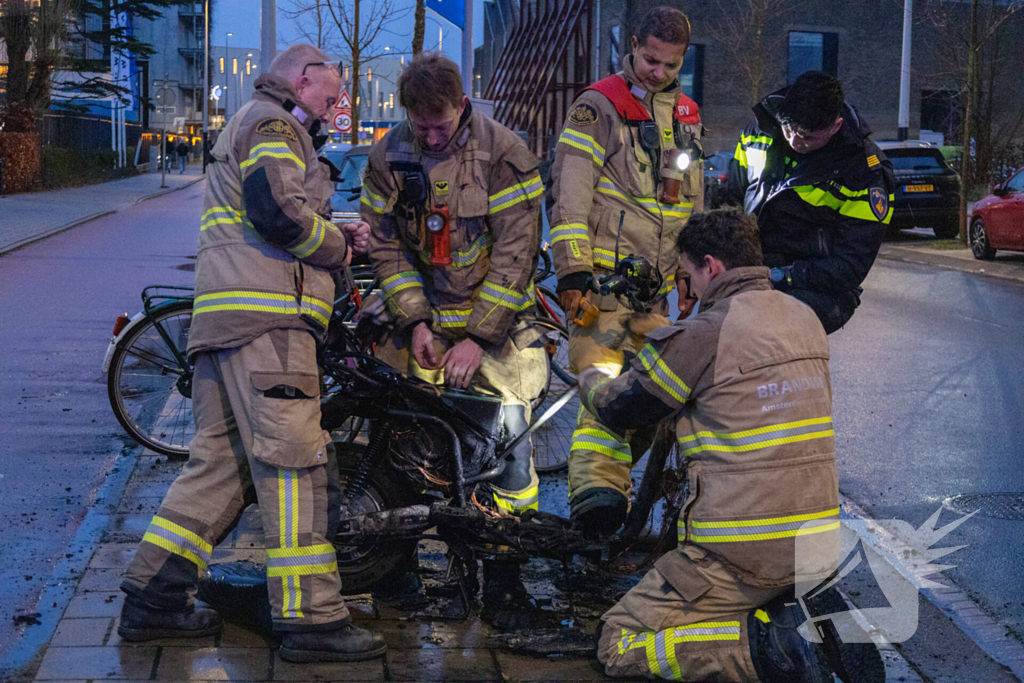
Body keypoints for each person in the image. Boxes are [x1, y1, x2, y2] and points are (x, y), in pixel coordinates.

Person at [117, 44, 387, 664]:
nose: (335, 102)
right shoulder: (273, 122)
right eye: (329, 90)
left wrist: (334, 229)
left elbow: (273, 211)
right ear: (301, 78)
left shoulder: (267, 125)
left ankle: (154, 600)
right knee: (296, 468)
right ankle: (313, 619)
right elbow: (277, 215)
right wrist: (343, 251)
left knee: (220, 466)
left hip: (227, 328)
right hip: (270, 329)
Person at [579, 209, 883, 683]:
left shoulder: (705, 332)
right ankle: (797, 602)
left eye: (688, 275)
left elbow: (624, 409)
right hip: (814, 542)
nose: (688, 289)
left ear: (711, 267)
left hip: (738, 556)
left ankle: (770, 649)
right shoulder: (804, 317)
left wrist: (592, 376)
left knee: (618, 642)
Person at [361, 53, 548, 617]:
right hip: (421, 322)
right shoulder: (387, 154)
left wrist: (478, 338)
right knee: (398, 444)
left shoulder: (505, 155)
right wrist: (415, 321)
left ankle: (504, 584)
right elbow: (385, 246)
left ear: (462, 105)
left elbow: (516, 257)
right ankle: (395, 577)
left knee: (508, 454)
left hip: (494, 324)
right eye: (421, 127)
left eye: (441, 124)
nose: (432, 136)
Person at [549, 5, 704, 536]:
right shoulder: (598, 107)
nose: (656, 72)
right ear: (632, 44)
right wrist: (572, 272)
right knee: (603, 383)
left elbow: (689, 202)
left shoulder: (686, 115)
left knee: (668, 389)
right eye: (649, 59)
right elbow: (569, 192)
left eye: (669, 64)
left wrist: (689, 271)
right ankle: (597, 499)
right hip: (602, 287)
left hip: (654, 293)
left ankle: (609, 493)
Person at [731, 71, 895, 334]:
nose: (795, 141)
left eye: (807, 137)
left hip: (815, 285)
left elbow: (849, 267)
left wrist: (780, 275)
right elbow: (731, 197)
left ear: (836, 126)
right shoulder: (759, 132)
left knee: (769, 334)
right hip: (752, 267)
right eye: (789, 130)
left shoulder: (865, 172)